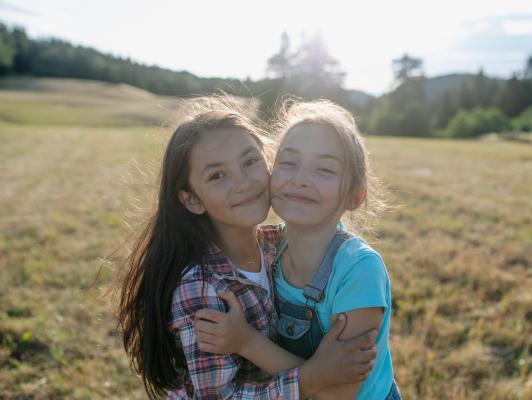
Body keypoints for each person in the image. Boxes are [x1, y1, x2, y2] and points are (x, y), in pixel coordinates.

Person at [95, 96, 378, 400]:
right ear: (193, 199)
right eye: (217, 175)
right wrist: (312, 377)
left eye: (250, 162)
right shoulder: (201, 290)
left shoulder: (278, 245)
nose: (243, 183)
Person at [194, 100, 401, 400]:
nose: (300, 179)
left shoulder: (358, 270)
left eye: (325, 169)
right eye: (288, 163)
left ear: (355, 197)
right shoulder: (267, 249)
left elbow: (337, 393)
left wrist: (246, 342)